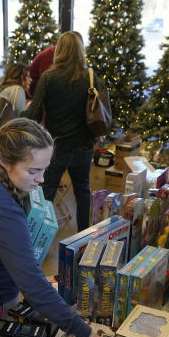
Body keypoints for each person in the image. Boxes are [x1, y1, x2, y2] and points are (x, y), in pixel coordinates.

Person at [0, 117, 113, 337]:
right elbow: (33, 285)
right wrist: (84, 333)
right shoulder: (0, 210)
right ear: (5, 161)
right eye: (33, 171)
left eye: (45, 169)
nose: (42, 179)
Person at [23, 31, 108, 231]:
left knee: (46, 195)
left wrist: (15, 116)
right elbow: (102, 107)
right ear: (81, 51)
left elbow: (34, 115)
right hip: (83, 147)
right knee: (83, 193)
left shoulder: (48, 77)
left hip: (55, 148)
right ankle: (84, 239)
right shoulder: (90, 76)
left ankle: (37, 242)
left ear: (59, 51)